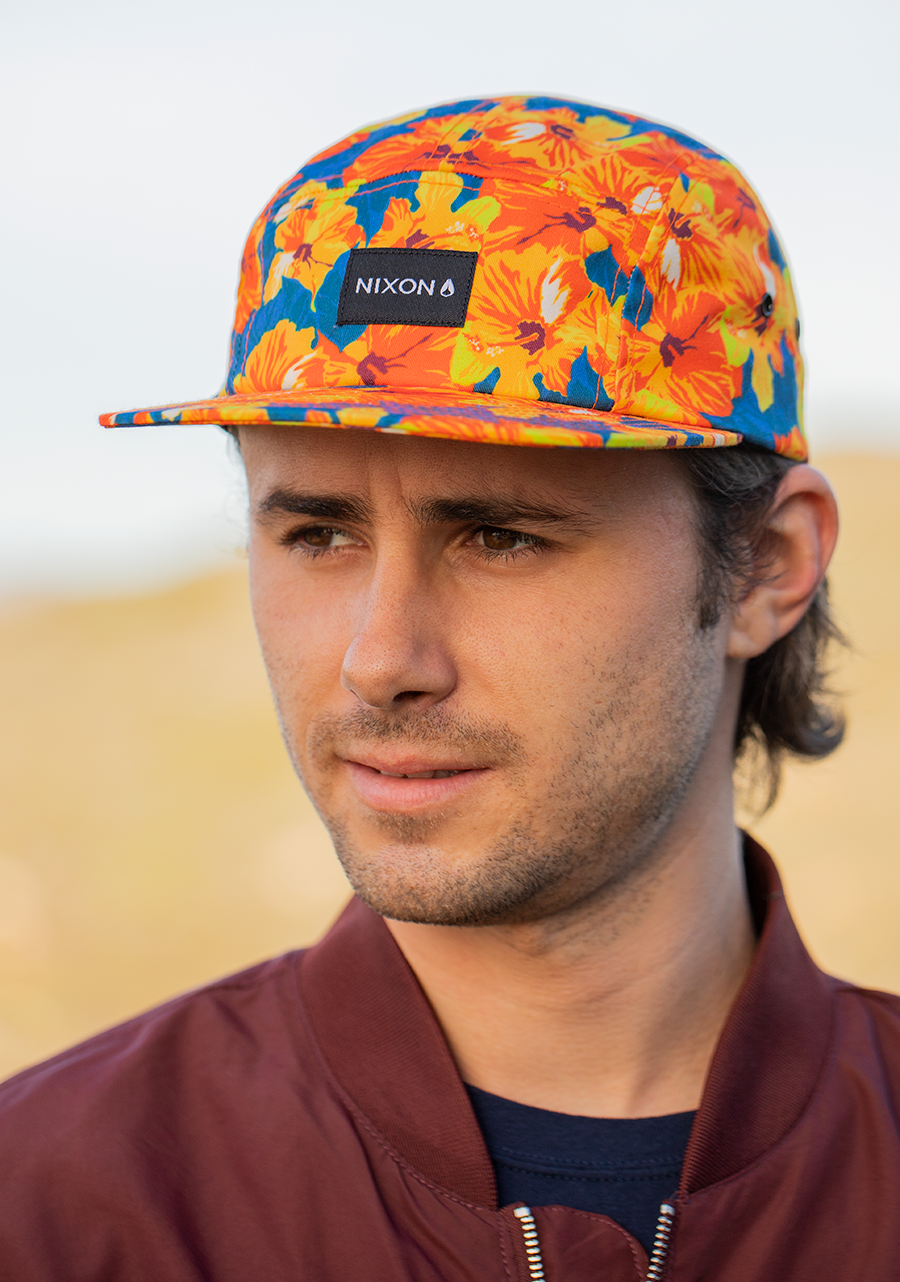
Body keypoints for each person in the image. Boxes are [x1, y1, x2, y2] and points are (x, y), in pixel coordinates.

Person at [1, 94, 898, 1282]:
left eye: (501, 537)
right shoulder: (51, 1206)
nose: (381, 659)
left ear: (766, 566)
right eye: (320, 534)